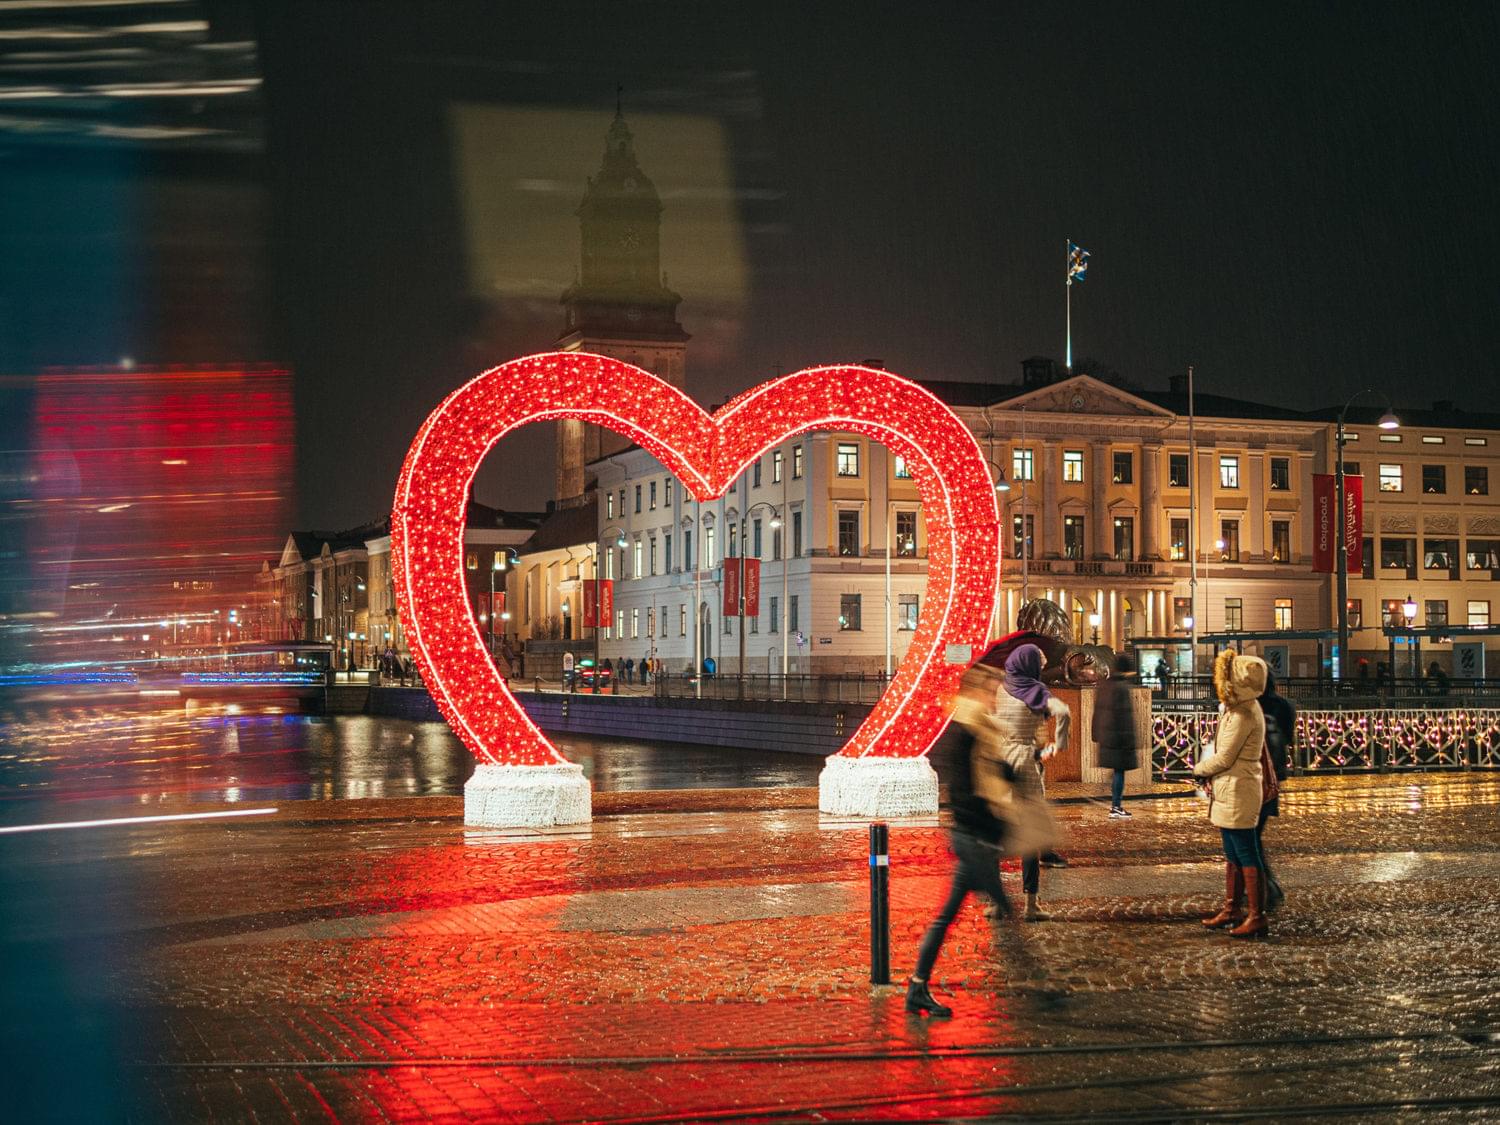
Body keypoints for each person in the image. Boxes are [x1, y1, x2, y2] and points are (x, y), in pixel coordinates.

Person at [908, 664, 1041, 1017]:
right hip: (973, 838)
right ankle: (1040, 988)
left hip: (973, 838)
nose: (995, 699)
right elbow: (966, 790)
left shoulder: (982, 729)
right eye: (991, 692)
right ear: (975, 693)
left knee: (947, 916)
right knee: (1006, 913)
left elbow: (999, 774)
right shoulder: (968, 732)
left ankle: (917, 986)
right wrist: (990, 827)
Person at [1193, 649, 1270, 940]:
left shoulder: (1244, 713)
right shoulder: (1238, 709)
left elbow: (1225, 757)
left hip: (1239, 788)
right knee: (1233, 852)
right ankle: (1232, 908)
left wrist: (1199, 768)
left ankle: (1255, 915)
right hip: (1230, 787)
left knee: (1246, 851)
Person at [993, 644, 1069, 921]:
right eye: (1040, 660)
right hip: (1025, 764)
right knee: (1029, 838)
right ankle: (1030, 904)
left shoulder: (1002, 689)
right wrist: (1059, 744)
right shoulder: (1036, 692)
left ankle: (997, 901)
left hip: (1001, 762)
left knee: (997, 834)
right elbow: (1064, 711)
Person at [1257, 669, 1296, 913]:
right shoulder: (1285, 706)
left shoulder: (1252, 706)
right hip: (1275, 776)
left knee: (1248, 836)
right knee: (1253, 833)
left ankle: (1265, 888)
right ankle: (1262, 886)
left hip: (1254, 775)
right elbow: (1289, 738)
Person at [1094, 653, 1140, 818]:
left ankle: (1114, 802)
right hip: (1120, 738)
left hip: (1107, 737)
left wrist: (1096, 734)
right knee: (1119, 772)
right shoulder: (1122, 688)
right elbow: (1125, 717)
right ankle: (1116, 806)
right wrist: (1131, 741)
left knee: (1116, 771)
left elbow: (1097, 712)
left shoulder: (1104, 685)